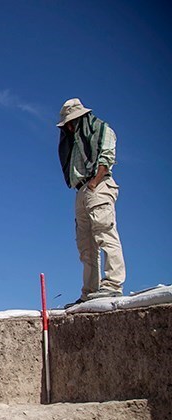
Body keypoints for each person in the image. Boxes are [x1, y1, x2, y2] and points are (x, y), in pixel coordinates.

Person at [57, 98, 126, 308]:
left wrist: (95, 183)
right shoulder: (75, 141)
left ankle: (113, 284)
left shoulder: (102, 130)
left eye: (72, 122)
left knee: (104, 232)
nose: (69, 127)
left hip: (98, 185)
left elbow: (106, 158)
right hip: (81, 190)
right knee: (86, 246)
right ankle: (89, 292)